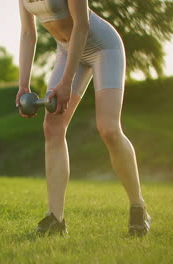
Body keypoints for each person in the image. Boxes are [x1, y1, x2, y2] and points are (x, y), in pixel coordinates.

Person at [16, 0, 151, 237]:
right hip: (67, 50)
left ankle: (138, 206)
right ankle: (56, 219)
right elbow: (28, 34)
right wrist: (23, 85)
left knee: (108, 128)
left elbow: (81, 25)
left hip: (102, 48)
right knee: (53, 127)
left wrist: (66, 81)